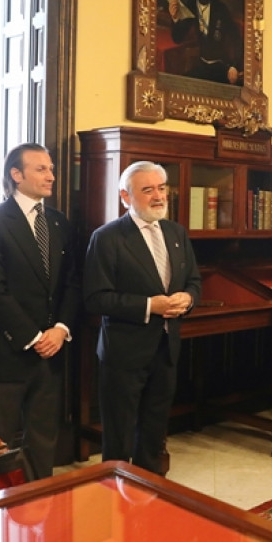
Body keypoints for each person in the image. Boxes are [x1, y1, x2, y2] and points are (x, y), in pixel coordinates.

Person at [83, 161, 202, 475]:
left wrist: (188, 298)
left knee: (154, 432)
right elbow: (96, 297)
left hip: (166, 349)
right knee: (120, 437)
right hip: (124, 352)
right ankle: (115, 499)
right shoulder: (107, 237)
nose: (158, 196)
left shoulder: (176, 232)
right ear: (126, 196)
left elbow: (194, 281)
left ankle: (151, 495)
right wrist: (151, 306)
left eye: (162, 188)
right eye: (148, 190)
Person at [0, 143, 80, 478]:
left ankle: (39, 504)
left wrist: (60, 329)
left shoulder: (59, 223)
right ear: (16, 175)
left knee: (43, 438)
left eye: (51, 168)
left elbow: (73, 282)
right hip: (9, 351)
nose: (51, 176)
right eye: (41, 169)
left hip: (53, 352)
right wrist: (33, 337)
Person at [169, 0, 242, 84]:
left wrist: (234, 66)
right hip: (202, 66)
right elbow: (178, 38)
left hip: (222, 68)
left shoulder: (221, 8)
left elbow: (236, 39)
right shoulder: (190, 5)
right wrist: (175, 18)